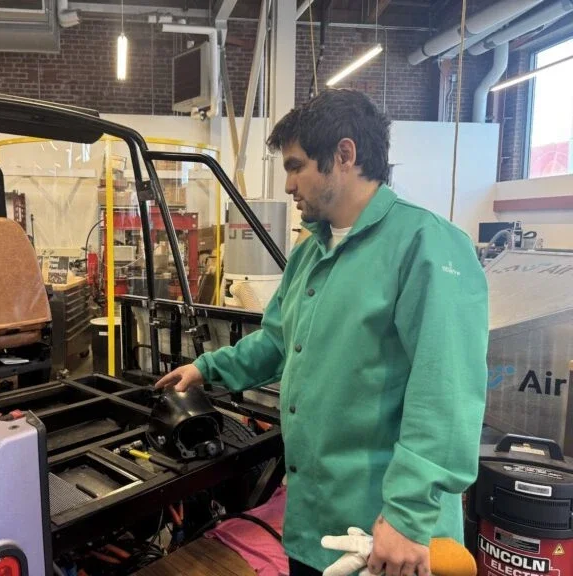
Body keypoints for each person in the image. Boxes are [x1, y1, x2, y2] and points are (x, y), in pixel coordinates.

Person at [156, 89, 489, 576]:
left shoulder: (427, 246)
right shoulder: (311, 253)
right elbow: (276, 340)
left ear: (344, 155)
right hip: (314, 526)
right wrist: (206, 368)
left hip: (390, 538)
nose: (289, 185)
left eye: (296, 166)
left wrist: (407, 514)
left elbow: (447, 392)